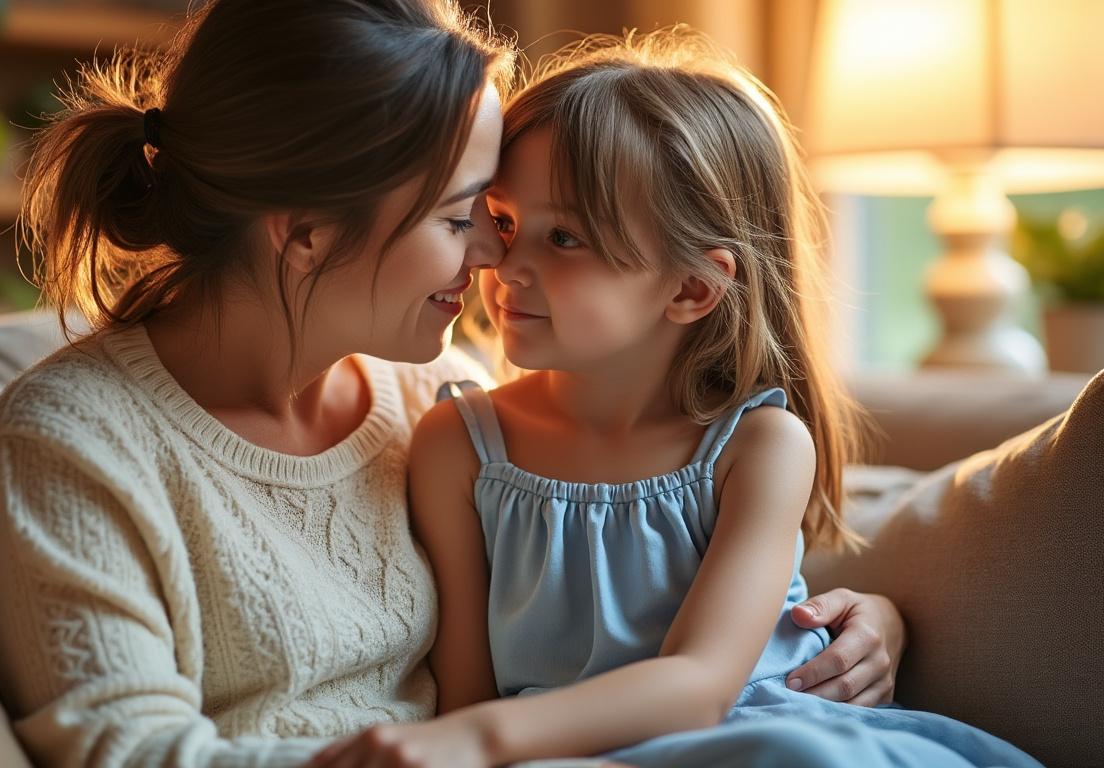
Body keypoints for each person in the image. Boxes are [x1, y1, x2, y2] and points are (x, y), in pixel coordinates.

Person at [0, 3, 908, 766]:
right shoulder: (74, 443)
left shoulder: (436, 396)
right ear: (307, 236)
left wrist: (868, 619)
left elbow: (679, 573)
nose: (498, 255)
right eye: (469, 217)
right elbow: (123, 749)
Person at [309, 29, 1041, 768]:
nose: (504, 263)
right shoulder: (456, 443)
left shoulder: (759, 447)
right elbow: (466, 695)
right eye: (501, 220)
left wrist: (472, 739)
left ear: (692, 287)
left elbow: (700, 688)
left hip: (756, 733)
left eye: (564, 237)